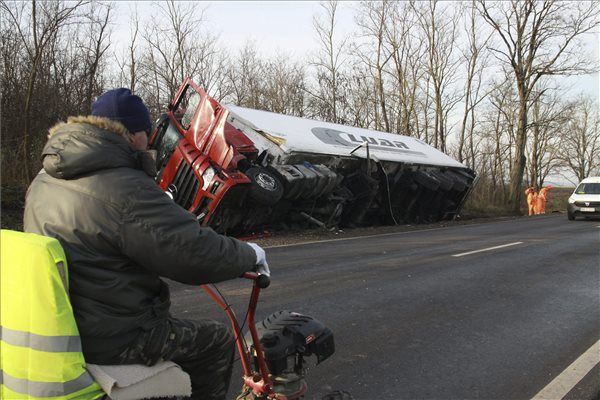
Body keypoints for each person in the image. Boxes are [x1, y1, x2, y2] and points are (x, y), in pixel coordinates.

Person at [23, 88, 269, 400]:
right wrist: (250, 254)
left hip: (59, 325)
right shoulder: (124, 187)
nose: (149, 141)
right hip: (113, 337)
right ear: (132, 134)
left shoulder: (44, 180)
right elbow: (193, 253)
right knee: (217, 340)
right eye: (146, 133)